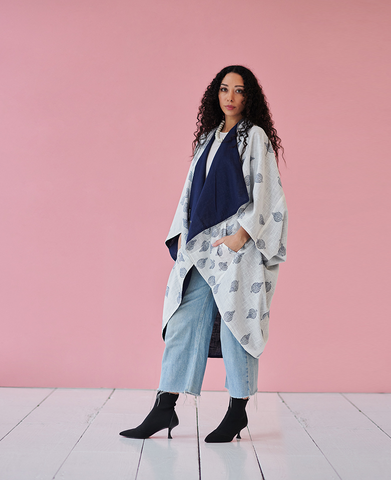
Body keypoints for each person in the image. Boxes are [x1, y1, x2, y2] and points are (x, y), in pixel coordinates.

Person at [120, 65, 287, 443]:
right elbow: (189, 192)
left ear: (249, 97)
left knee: (235, 329)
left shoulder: (254, 138)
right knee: (182, 321)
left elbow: (268, 193)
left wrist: (242, 236)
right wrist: (180, 234)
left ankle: (237, 413)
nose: (230, 96)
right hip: (201, 250)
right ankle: (164, 408)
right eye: (224, 89)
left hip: (236, 250)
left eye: (239, 90)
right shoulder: (208, 139)